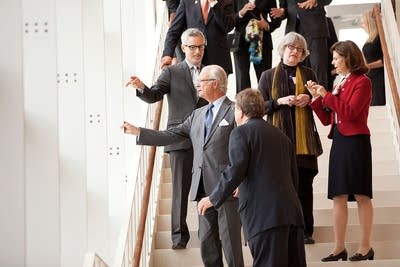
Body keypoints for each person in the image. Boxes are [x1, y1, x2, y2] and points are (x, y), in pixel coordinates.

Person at [122, 65, 244, 267]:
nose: (198, 85)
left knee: (231, 247)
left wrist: (242, 180)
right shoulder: (197, 114)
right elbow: (171, 135)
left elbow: (244, 150)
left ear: (215, 83)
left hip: (227, 190)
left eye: (202, 81)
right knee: (208, 246)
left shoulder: (235, 110)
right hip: (203, 191)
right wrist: (139, 132)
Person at [198, 88, 306, 267]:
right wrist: (248, 187)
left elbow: (236, 170)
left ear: (240, 111)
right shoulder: (281, 136)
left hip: (265, 218)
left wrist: (213, 198)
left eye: (234, 110)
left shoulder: (241, 133)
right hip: (292, 215)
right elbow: (292, 178)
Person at [125, 28, 208, 250]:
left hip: (207, 139)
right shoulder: (172, 72)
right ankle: (179, 239)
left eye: (201, 46)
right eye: (192, 47)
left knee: (206, 190)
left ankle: (207, 236)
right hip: (179, 139)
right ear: (183, 48)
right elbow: (154, 95)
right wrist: (141, 87)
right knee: (180, 192)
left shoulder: (210, 71)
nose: (197, 51)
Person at [306, 40, 374, 262]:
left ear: (348, 57)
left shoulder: (362, 82)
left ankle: (365, 247)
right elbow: (329, 120)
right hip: (340, 141)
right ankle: (339, 247)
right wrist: (317, 99)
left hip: (357, 142)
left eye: (336, 58)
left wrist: (327, 95)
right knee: (338, 195)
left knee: (362, 195)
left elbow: (351, 112)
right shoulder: (340, 83)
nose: (333, 62)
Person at [258, 31, 322, 245]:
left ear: (303, 54)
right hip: (278, 142)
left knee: (304, 187)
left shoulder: (309, 73)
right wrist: (279, 102)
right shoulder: (267, 76)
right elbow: (259, 108)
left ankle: (305, 231)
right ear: (282, 49)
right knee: (282, 187)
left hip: (304, 143)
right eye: (291, 47)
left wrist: (310, 97)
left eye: (299, 49)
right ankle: (285, 228)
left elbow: (321, 104)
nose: (295, 51)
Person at [160, 0, 235, 75]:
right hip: (194, 61)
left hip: (218, 60)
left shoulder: (226, 1)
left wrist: (214, 4)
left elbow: (228, 27)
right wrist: (168, 54)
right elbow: (174, 31)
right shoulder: (187, 2)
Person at [270, 0, 332, 89]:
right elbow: (284, 7)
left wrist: (315, 1)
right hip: (293, 28)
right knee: (293, 67)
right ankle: (298, 96)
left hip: (315, 27)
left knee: (318, 66)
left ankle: (320, 99)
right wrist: (282, 12)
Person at [233, 0, 281, 92]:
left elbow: (277, 20)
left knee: (264, 78)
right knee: (242, 78)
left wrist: (267, 25)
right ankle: (242, 105)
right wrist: (241, 12)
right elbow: (229, 21)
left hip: (262, 42)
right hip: (241, 44)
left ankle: (266, 105)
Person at [362, 9, 386, 106]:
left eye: (363, 23)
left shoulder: (379, 38)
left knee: (378, 104)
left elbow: (383, 60)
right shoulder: (371, 39)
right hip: (370, 77)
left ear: (369, 23)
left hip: (378, 77)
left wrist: (367, 66)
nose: (362, 25)